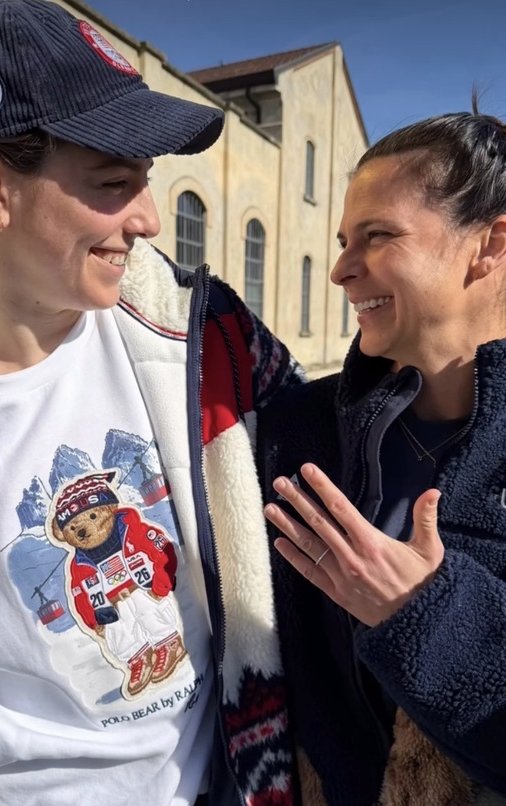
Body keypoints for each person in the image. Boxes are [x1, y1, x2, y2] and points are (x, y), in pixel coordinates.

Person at [0, 0, 305, 803]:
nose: (147, 219)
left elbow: (362, 450)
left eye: (149, 185)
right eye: (113, 184)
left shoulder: (201, 337)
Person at [258, 110, 506, 805]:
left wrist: (424, 615)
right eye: (343, 240)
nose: (340, 269)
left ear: (489, 246)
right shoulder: (301, 427)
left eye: (379, 236)